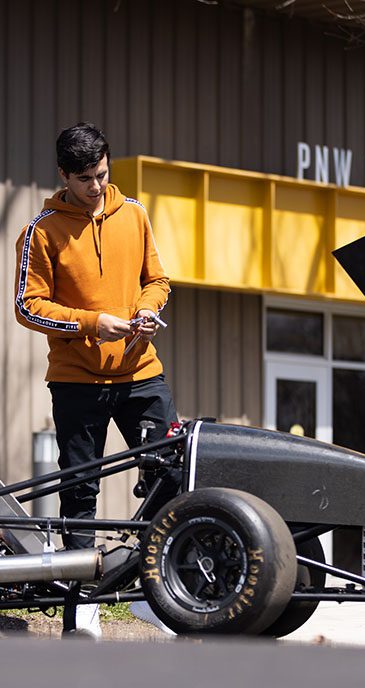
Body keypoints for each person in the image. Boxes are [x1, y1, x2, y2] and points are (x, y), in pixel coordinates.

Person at [14, 122, 178, 637]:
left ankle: (161, 592)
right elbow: (26, 305)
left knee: (170, 474)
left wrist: (147, 311)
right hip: (77, 380)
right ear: (64, 175)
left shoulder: (136, 214)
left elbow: (158, 280)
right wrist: (91, 322)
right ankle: (80, 605)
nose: (96, 186)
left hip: (141, 372)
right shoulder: (41, 230)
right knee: (79, 489)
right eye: (85, 178)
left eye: (103, 174)